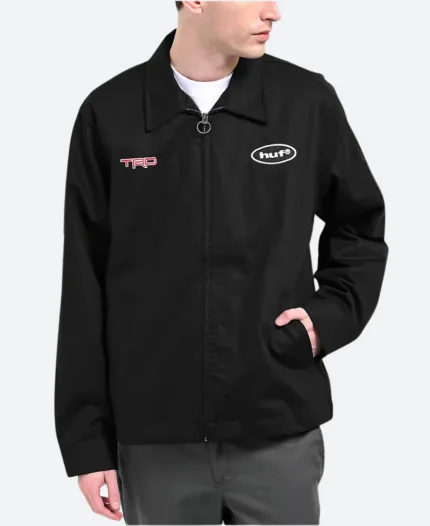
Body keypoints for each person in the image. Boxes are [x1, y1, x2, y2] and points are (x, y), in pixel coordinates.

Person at [54, 1, 389, 524]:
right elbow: (84, 280)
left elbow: (360, 226)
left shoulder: (304, 101)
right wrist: (87, 442)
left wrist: (324, 321)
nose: (274, 12)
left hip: (276, 421)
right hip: (154, 439)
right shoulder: (111, 111)